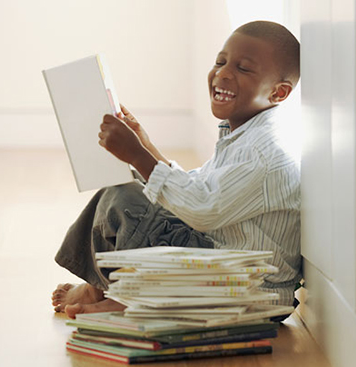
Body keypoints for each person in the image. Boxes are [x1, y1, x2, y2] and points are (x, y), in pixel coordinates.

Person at [52, 20, 302, 319]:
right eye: (220, 62)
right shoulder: (246, 135)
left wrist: (138, 156)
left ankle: (126, 295)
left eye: (243, 68)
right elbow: (197, 186)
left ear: (279, 93)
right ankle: (103, 287)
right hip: (220, 264)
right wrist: (145, 148)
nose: (222, 73)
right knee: (134, 181)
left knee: (127, 198)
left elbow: (200, 208)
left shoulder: (263, 152)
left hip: (247, 291)